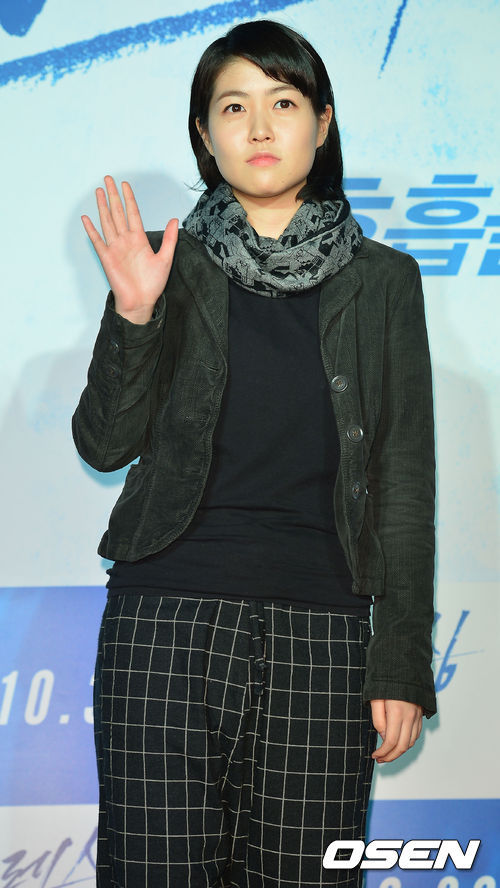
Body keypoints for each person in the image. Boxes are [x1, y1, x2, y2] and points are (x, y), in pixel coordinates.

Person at [73, 18, 437, 888]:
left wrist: (399, 662)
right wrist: (134, 314)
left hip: (324, 633)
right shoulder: (166, 265)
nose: (261, 126)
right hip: (165, 623)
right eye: (233, 107)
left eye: (284, 102)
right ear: (205, 134)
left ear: (323, 121)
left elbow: (402, 483)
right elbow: (105, 442)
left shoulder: (386, 282)